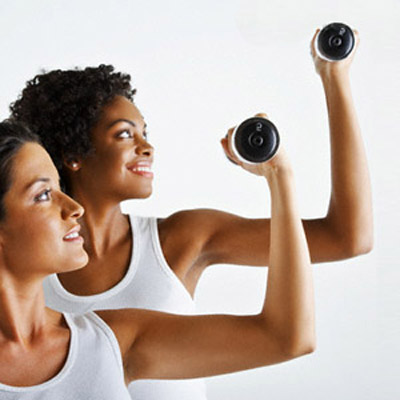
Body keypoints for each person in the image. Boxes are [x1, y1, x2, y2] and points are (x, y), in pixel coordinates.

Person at [9, 28, 372, 399]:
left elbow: (348, 238)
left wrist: (333, 77)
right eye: (124, 135)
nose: (147, 147)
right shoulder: (30, 266)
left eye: (145, 133)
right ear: (73, 153)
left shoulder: (182, 239)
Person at [0, 119, 314, 398]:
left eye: (59, 188)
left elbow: (287, 338)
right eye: (43, 195)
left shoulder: (111, 341)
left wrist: (279, 175)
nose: (74, 208)